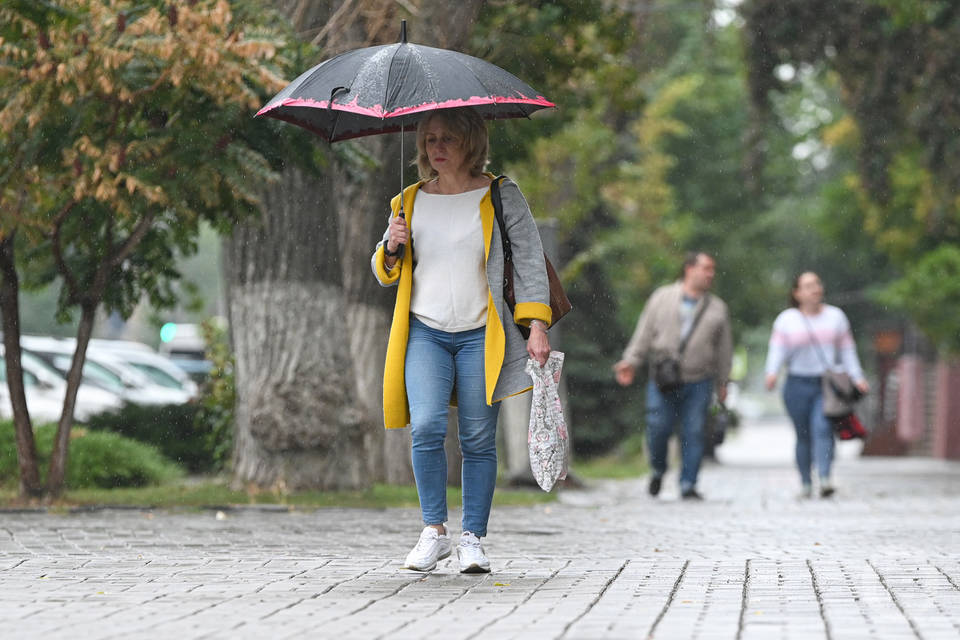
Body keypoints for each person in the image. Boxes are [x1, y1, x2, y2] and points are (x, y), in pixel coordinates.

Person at [371, 107, 552, 573]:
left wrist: (536, 324)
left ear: (471, 142)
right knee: (427, 426)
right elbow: (385, 271)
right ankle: (434, 530)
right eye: (430, 140)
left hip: (480, 334)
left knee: (476, 437)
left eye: (448, 139)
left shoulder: (499, 194)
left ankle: (473, 537)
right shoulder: (407, 201)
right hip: (425, 332)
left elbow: (530, 259)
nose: (438, 148)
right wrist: (391, 246)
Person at [613, 252, 733, 500]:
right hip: (663, 377)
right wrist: (631, 361)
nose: (710, 274)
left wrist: (723, 381)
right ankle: (658, 469)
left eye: (713, 269)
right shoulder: (662, 297)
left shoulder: (718, 308)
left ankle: (688, 483)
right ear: (689, 269)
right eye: (706, 268)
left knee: (694, 431)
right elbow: (644, 333)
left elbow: (724, 349)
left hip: (700, 380)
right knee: (658, 426)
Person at [764, 271, 869, 499]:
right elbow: (777, 350)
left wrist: (857, 376)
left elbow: (847, 350)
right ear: (797, 293)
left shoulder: (836, 317)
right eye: (808, 286)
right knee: (803, 435)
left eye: (817, 284)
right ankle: (805, 483)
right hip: (796, 384)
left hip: (826, 385)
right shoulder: (786, 320)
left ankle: (824, 477)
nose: (815, 289)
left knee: (822, 428)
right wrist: (771, 373)